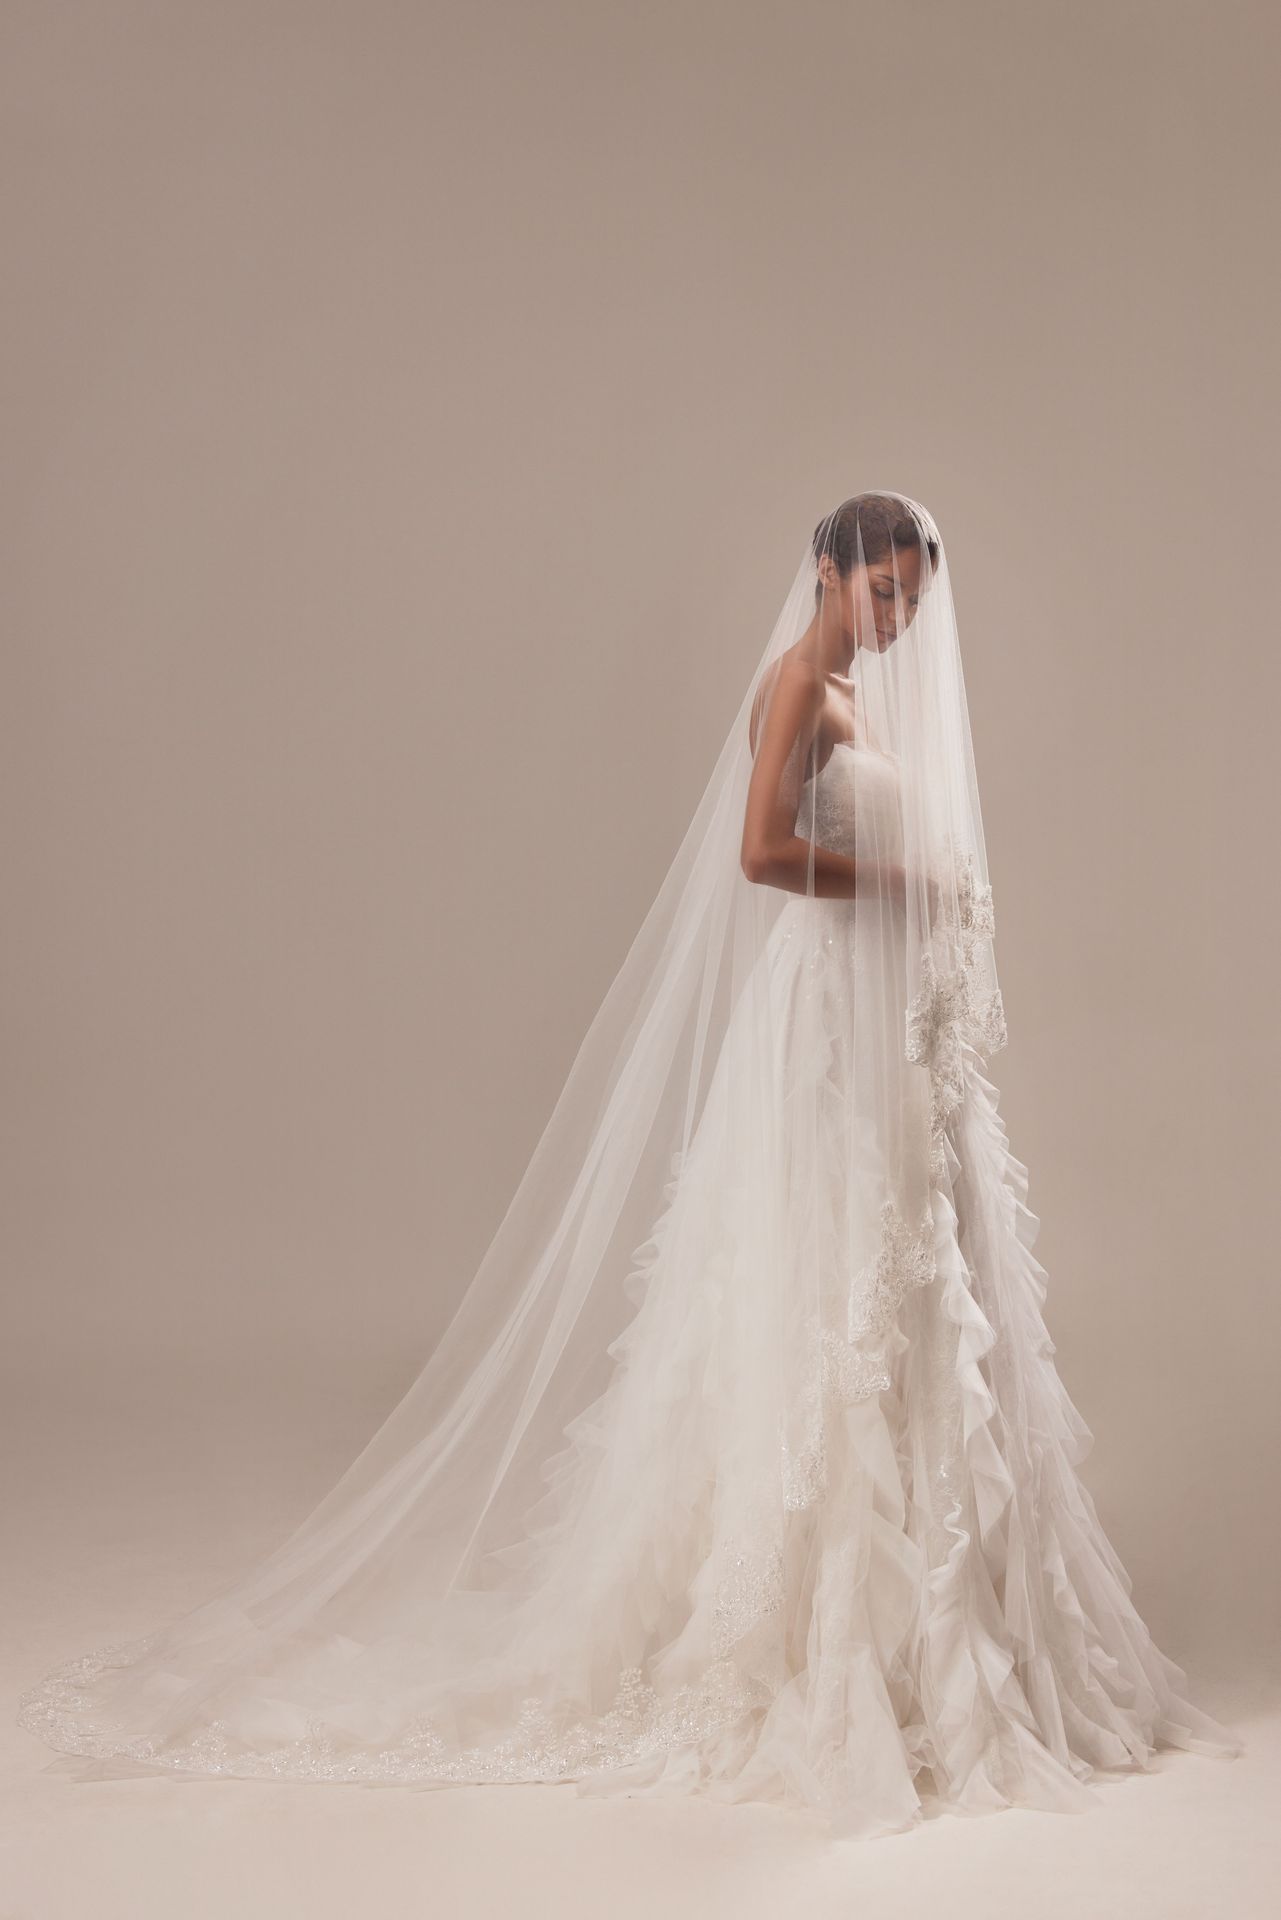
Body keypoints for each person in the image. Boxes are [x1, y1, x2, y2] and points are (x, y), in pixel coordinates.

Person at [16, 492, 1243, 1840]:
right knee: (830, 1278)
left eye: (913, 599)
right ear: (826, 570)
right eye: (882, 590)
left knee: (909, 1284)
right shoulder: (797, 683)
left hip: (878, 1027)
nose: (897, 618)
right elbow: (762, 852)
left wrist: (921, 899)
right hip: (826, 1032)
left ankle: (931, 1621)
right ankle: (809, 1616)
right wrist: (910, 889)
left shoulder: (850, 690)